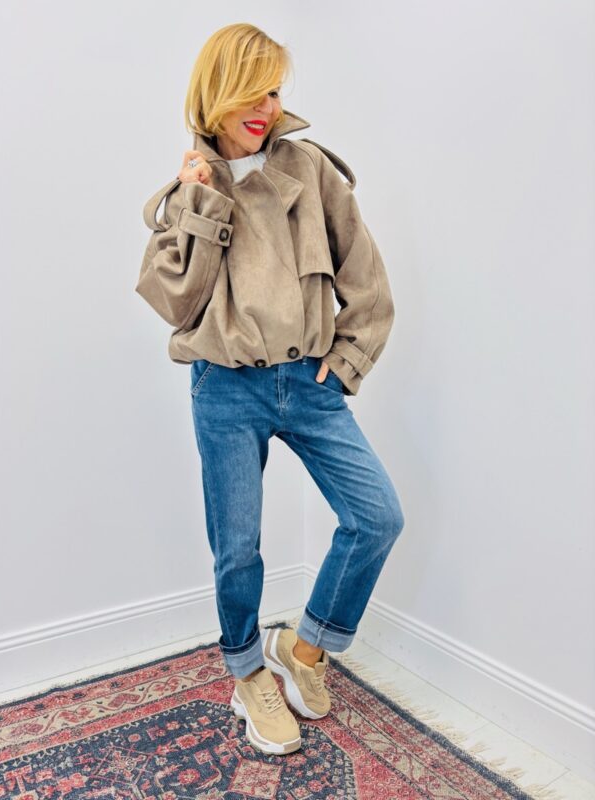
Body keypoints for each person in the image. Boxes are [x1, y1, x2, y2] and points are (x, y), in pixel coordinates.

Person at [136, 22, 405, 756]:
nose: (265, 107)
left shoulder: (311, 170)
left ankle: (304, 647)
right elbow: (175, 303)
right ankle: (248, 671)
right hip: (225, 388)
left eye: (275, 91)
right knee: (238, 548)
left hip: (309, 382)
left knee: (376, 517)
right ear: (215, 93)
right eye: (250, 91)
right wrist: (198, 205)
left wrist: (346, 361)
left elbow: (367, 280)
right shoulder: (188, 191)